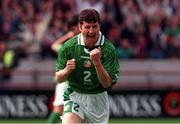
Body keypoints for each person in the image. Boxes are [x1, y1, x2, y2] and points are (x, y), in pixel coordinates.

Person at [55, 9, 120, 123]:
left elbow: (107, 84)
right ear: (80, 27)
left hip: (98, 101)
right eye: (87, 27)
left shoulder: (108, 49)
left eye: (94, 26)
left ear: (99, 26)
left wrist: (97, 63)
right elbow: (59, 78)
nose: (91, 31)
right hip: (75, 96)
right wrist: (65, 71)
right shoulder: (69, 46)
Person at [48, 14, 80, 123]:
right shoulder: (67, 47)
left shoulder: (81, 44)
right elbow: (54, 45)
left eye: (73, 28)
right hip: (65, 81)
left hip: (76, 82)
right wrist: (68, 36)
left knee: (72, 111)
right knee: (59, 109)